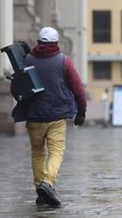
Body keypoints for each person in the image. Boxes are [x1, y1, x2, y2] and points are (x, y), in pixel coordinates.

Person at [11, 27, 87, 207]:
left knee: (37, 152)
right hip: (57, 116)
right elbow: (78, 88)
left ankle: (40, 189)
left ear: (38, 42)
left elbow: (16, 88)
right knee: (56, 152)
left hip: (34, 116)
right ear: (56, 43)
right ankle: (48, 182)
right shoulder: (64, 61)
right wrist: (81, 111)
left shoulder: (27, 60)